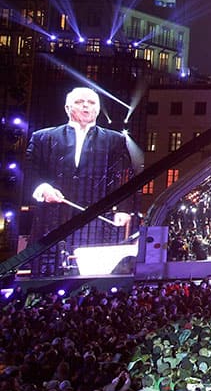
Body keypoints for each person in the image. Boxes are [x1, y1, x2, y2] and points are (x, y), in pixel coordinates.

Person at [25, 86, 134, 274]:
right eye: (79, 102)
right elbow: (30, 172)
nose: (85, 106)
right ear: (67, 108)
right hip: (52, 220)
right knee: (46, 273)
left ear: (97, 110)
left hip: (96, 222)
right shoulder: (43, 137)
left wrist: (124, 209)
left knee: (90, 277)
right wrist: (43, 188)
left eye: (91, 103)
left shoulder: (115, 140)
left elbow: (124, 176)